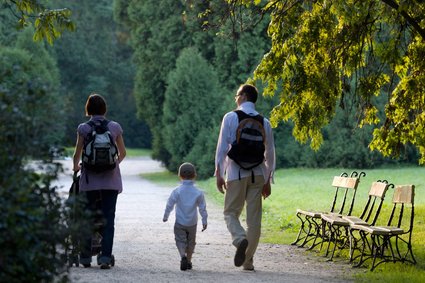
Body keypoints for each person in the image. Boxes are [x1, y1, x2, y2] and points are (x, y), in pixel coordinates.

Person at [215, 84, 275, 271]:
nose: (236, 98)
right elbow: (270, 152)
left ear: (243, 96)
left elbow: (222, 147)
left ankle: (240, 239)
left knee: (230, 212)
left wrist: (219, 172)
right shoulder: (265, 122)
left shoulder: (231, 117)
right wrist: (268, 179)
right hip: (258, 174)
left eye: (237, 95)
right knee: (254, 220)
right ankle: (248, 260)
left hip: (236, 172)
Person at [72, 93, 127, 269]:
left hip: (89, 183)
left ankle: (85, 257)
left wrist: (76, 167)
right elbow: (123, 152)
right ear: (104, 109)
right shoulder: (115, 127)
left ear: (88, 109)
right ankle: (104, 258)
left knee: (87, 218)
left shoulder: (84, 128)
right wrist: (113, 164)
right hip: (111, 183)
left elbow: (77, 153)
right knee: (108, 219)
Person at [163, 162, 208, 271]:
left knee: (180, 240)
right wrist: (204, 220)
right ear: (194, 175)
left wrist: (166, 216)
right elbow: (202, 208)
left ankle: (183, 255)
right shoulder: (198, 192)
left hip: (180, 222)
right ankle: (188, 260)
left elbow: (170, 204)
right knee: (191, 242)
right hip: (192, 223)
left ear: (179, 175)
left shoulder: (177, 191)